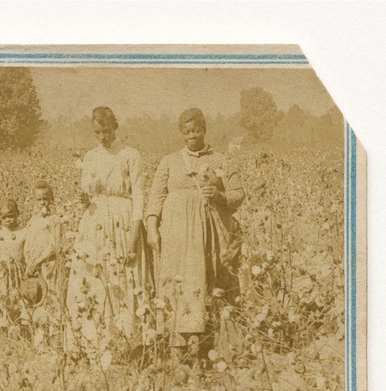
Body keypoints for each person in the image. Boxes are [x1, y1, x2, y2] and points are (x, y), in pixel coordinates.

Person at [145, 107, 245, 354]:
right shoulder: (169, 161)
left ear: (204, 130)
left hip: (208, 235)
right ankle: (176, 341)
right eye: (187, 131)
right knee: (176, 282)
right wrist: (151, 226)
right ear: (182, 133)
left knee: (207, 280)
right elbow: (156, 195)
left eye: (197, 130)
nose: (192, 136)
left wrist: (220, 196)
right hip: (175, 236)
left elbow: (239, 194)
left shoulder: (221, 160)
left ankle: (206, 342)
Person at [66, 106, 148, 349]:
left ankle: (123, 342)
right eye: (97, 133)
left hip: (122, 224)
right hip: (94, 223)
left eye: (106, 131)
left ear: (116, 127)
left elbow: (139, 199)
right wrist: (84, 201)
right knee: (93, 276)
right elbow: (88, 195)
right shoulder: (90, 157)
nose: (102, 137)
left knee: (120, 278)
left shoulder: (130, 155)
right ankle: (92, 340)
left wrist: (133, 240)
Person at [23, 181, 63, 286]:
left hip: (47, 263)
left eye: (45, 199)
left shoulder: (55, 219)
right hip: (32, 265)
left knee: (48, 290)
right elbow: (27, 243)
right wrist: (28, 261)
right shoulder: (32, 220)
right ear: (34, 200)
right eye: (39, 199)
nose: (42, 202)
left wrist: (37, 261)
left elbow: (54, 246)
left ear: (51, 199)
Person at [0, 198, 26, 296]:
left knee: (19, 293)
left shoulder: (23, 232)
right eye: (4, 217)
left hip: (19, 269)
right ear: (0, 218)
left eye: (10, 216)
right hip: (4, 269)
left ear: (17, 214)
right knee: (3, 294)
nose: (8, 220)